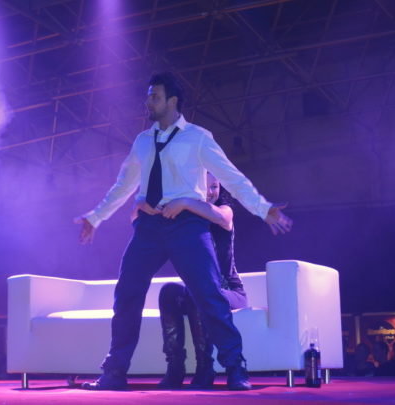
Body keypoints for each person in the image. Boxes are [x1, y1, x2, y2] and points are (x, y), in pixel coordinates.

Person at [75, 71, 292, 391]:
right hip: (149, 227)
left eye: (155, 96)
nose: (148, 102)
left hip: (187, 225)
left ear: (172, 101)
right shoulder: (143, 141)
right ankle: (114, 372)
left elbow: (230, 177)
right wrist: (96, 217)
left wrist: (263, 208)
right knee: (127, 293)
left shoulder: (198, 137)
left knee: (209, 295)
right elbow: (124, 184)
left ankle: (235, 367)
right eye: (148, 96)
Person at [150, 173, 249, 389]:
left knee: (200, 290)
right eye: (205, 186)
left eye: (215, 186)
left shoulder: (224, 210)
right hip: (199, 289)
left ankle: (205, 367)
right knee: (169, 292)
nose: (211, 192)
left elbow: (223, 219)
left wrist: (185, 202)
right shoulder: (183, 220)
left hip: (229, 290)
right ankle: (175, 367)